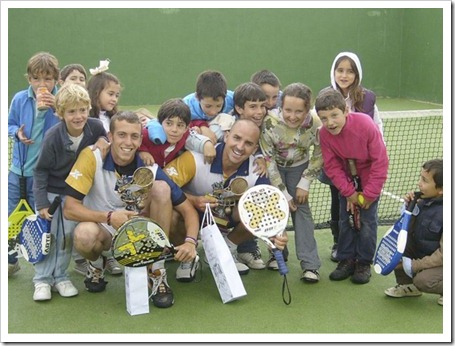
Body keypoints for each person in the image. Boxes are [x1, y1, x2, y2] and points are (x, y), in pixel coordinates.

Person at [63, 111, 200, 309]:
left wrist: (190, 242)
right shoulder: (92, 157)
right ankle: (97, 263)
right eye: (122, 135)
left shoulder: (149, 167)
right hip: (104, 227)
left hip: (140, 231)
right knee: (84, 235)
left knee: (161, 188)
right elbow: (69, 208)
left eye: (134, 136)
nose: (128, 142)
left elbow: (187, 210)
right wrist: (109, 217)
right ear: (110, 137)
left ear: (140, 139)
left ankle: (156, 269)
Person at [165, 119, 288, 276]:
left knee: (259, 212)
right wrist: (193, 200)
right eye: (236, 138)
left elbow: (270, 208)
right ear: (226, 136)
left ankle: (228, 247)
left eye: (248, 143)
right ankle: (188, 254)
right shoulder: (194, 158)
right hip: (191, 217)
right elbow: (162, 186)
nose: (240, 147)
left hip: (227, 218)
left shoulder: (257, 171)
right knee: (172, 214)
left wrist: (278, 234)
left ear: (255, 148)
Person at [31, 84, 109, 301]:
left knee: (66, 237)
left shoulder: (94, 127)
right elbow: (40, 171)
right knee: (51, 238)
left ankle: (61, 277)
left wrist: (103, 140)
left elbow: (104, 135)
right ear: (60, 113)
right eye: (72, 111)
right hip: (52, 195)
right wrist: (42, 204)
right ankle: (42, 280)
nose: (78, 116)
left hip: (75, 196)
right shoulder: (52, 136)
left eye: (83, 110)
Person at [315, 88, 388, 285]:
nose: (330, 122)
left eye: (334, 115)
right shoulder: (324, 134)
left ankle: (363, 262)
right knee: (344, 221)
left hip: (369, 181)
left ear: (345, 111)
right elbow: (332, 166)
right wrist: (349, 193)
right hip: (346, 182)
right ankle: (346, 260)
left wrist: (370, 193)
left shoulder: (365, 124)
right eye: (324, 118)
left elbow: (380, 160)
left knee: (367, 223)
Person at [318, 52, 384, 262]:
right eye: (340, 70)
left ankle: (362, 257)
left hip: (365, 167)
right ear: (333, 72)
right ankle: (341, 245)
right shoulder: (325, 96)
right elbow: (323, 132)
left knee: (366, 216)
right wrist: (349, 191)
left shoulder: (367, 98)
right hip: (339, 167)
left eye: (350, 71)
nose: (344, 75)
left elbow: (376, 129)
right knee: (340, 208)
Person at [260, 83, 323, 282]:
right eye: (288, 110)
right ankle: (276, 254)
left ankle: (310, 264)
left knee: (301, 209)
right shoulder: (269, 122)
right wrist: (283, 193)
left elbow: (320, 153)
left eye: (299, 111)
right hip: (275, 169)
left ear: (307, 109)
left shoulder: (315, 123)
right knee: (274, 209)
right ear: (281, 107)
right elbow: (268, 160)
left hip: (300, 167)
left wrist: (305, 182)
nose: (293, 116)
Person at [7, 51, 61, 276]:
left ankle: (43, 269)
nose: (42, 84)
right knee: (11, 215)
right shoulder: (20, 99)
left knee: (42, 219)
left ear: (56, 79)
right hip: (18, 171)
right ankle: (10, 259)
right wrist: (16, 134)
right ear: (29, 79)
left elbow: (70, 126)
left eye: (47, 79)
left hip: (44, 174)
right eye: (36, 78)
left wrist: (55, 108)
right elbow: (9, 124)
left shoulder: (61, 100)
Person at [384, 159, 443, 306]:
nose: (419, 183)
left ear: (441, 189)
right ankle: (407, 286)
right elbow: (407, 233)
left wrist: (414, 265)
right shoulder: (423, 201)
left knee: (423, 281)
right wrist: (409, 209)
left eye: (424, 180)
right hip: (428, 252)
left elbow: (444, 255)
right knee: (399, 246)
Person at [138, 98, 214, 168]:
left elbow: (194, 128)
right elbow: (131, 140)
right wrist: (141, 151)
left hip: (164, 170)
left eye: (180, 125)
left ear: (186, 128)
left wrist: (206, 143)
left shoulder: (184, 135)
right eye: (169, 123)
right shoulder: (148, 134)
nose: (174, 129)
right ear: (160, 123)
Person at [87, 60, 121, 133]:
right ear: (96, 92)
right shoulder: (86, 118)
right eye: (110, 94)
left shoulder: (114, 118)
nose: (114, 99)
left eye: (117, 96)